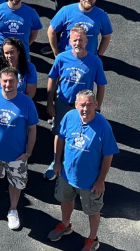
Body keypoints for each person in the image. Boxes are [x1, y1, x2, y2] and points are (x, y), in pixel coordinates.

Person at [48, 90, 118, 251]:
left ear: (95, 105)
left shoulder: (103, 126)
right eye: (82, 105)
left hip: (91, 181)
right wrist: (57, 162)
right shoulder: (70, 117)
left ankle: (92, 239)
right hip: (67, 175)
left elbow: (109, 155)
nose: (85, 109)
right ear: (76, 105)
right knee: (65, 200)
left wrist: (101, 180)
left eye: (89, 104)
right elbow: (60, 137)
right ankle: (65, 225)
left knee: (93, 210)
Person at [0, 67, 38, 229]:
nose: (8, 84)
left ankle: (13, 209)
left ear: (18, 82)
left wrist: (28, 152)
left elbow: (32, 129)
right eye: (5, 81)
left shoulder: (27, 103)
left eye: (11, 81)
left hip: (16, 155)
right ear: (0, 82)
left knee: (16, 184)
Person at [44, 26, 107, 180]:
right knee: (60, 134)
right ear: (70, 41)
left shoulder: (94, 61)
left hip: (83, 107)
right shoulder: (61, 58)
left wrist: (97, 104)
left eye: (81, 40)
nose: (78, 43)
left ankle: (76, 164)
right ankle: (56, 162)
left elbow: (101, 84)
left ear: (87, 41)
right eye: (75, 40)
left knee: (81, 135)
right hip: (63, 103)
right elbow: (52, 79)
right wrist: (50, 102)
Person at [48, 0, 112, 56]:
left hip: (89, 59)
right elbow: (51, 31)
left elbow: (106, 37)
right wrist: (56, 54)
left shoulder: (102, 15)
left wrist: (99, 55)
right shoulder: (66, 11)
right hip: (67, 57)